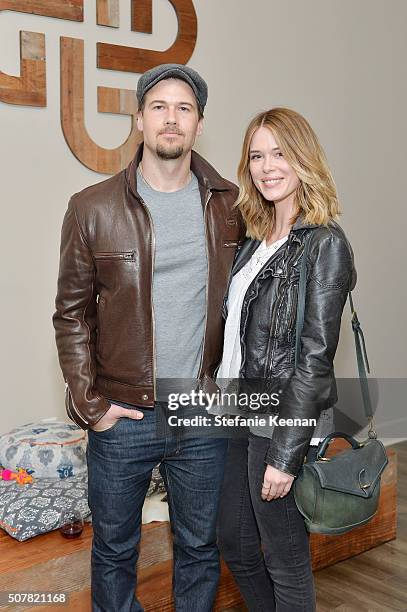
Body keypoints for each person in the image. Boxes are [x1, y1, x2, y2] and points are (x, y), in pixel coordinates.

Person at [53, 63, 244, 612]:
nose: (171, 118)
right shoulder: (92, 207)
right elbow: (70, 314)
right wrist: (92, 404)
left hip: (200, 410)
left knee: (200, 550)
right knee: (114, 551)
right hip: (123, 413)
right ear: (138, 119)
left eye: (184, 108)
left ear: (200, 124)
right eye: (159, 107)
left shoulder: (231, 205)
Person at [216, 107, 356, 611]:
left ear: (303, 161)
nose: (267, 166)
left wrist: (285, 452)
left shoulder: (324, 244)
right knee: (232, 541)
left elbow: (315, 358)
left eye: (280, 153)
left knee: (285, 556)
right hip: (236, 411)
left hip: (279, 421)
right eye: (257, 155)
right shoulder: (255, 238)